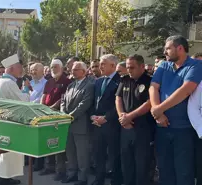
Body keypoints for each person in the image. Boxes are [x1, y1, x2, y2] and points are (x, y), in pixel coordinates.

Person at [149, 35, 202, 185]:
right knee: (165, 170)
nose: (164, 52)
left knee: (184, 172)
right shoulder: (164, 66)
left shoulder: (195, 66)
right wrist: (157, 112)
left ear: (180, 48)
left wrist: (159, 109)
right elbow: (153, 87)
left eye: (168, 48)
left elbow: (185, 90)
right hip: (162, 127)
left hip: (184, 129)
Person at [115, 54, 155, 185]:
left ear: (142, 66)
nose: (129, 70)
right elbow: (118, 98)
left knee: (142, 165)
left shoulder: (150, 81)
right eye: (127, 67)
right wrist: (122, 115)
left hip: (142, 129)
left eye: (132, 67)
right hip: (125, 127)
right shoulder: (125, 79)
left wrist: (129, 116)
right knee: (126, 163)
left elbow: (149, 103)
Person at [0, 54, 30, 185]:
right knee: (8, 154)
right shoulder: (8, 83)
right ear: (11, 68)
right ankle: (3, 180)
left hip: (7, 122)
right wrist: (26, 88)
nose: (21, 70)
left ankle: (6, 178)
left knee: (8, 154)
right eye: (19, 67)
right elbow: (24, 101)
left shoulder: (2, 82)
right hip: (10, 123)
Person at [90, 54, 123, 185]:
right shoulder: (98, 81)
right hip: (97, 124)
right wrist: (92, 116)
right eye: (100, 64)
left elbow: (119, 104)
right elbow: (94, 102)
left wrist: (106, 118)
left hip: (112, 124)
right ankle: (99, 179)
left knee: (114, 155)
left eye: (104, 64)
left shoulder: (120, 81)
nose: (100, 66)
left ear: (113, 66)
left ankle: (115, 180)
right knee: (98, 153)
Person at [61, 62, 95, 185]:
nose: (72, 72)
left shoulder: (89, 85)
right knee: (70, 152)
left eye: (76, 70)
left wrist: (71, 116)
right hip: (68, 124)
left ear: (84, 71)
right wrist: (63, 113)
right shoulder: (70, 85)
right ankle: (72, 174)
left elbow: (84, 104)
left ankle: (82, 177)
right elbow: (63, 100)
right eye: (72, 70)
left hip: (81, 124)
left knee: (82, 153)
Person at [40, 59, 72, 181]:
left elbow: (63, 98)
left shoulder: (67, 81)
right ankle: (49, 166)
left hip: (58, 116)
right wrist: (42, 107)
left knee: (58, 144)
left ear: (62, 68)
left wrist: (51, 108)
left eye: (56, 67)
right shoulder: (49, 82)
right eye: (52, 67)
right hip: (46, 115)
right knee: (48, 142)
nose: (53, 69)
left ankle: (60, 170)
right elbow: (44, 96)